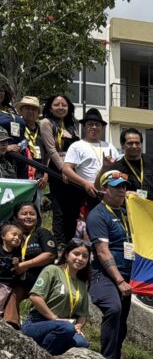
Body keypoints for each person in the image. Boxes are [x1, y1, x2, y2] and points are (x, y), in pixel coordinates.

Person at [85, 170, 133, 359]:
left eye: (124, 187)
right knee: (113, 309)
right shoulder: (98, 214)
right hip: (104, 275)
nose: (122, 191)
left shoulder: (126, 212)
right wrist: (120, 281)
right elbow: (103, 252)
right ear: (104, 189)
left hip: (128, 272)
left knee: (121, 322)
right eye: (116, 187)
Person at [22, 237, 91, 355]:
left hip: (62, 326)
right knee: (66, 328)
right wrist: (53, 318)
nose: (80, 259)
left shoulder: (81, 285)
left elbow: (82, 315)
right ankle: (42, 358)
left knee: (82, 343)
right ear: (66, 255)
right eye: (76, 254)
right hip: (37, 323)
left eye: (85, 256)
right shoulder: (52, 270)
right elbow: (35, 296)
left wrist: (78, 327)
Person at [39, 94, 81, 247]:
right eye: (57, 104)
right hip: (59, 169)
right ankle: (60, 244)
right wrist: (64, 169)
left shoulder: (71, 124)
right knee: (60, 209)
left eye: (64, 104)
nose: (61, 107)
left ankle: (71, 244)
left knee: (73, 209)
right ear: (50, 107)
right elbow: (51, 149)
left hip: (74, 170)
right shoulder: (46, 123)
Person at [8, 202, 57, 324]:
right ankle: (11, 327)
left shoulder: (42, 233)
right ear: (15, 217)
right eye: (24, 214)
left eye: (32, 214)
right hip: (19, 282)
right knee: (11, 296)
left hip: (42, 282)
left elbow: (50, 255)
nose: (28, 216)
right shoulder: (10, 236)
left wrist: (25, 265)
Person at [62, 107, 120, 203]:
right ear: (84, 127)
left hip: (108, 193)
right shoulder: (77, 146)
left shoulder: (109, 146)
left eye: (97, 124)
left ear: (102, 128)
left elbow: (118, 166)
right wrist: (85, 183)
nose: (94, 127)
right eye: (90, 124)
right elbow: (66, 169)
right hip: (87, 192)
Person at [108, 127, 153, 202]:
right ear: (123, 145)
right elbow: (114, 192)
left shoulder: (151, 160)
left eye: (137, 143)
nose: (134, 146)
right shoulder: (117, 168)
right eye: (130, 143)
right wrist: (126, 193)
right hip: (133, 209)